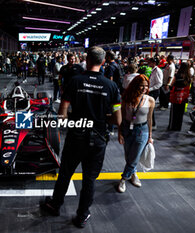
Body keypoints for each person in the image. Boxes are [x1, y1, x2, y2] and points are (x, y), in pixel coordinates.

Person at [41, 46, 122, 228]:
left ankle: (55, 205)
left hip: (77, 136)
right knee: (89, 179)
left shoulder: (75, 81)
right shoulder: (111, 86)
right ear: (102, 62)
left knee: (66, 173)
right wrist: (100, 118)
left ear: (87, 60)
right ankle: (82, 215)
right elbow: (117, 119)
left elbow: (62, 113)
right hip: (99, 138)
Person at [117, 74, 155, 193]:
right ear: (135, 86)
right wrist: (120, 132)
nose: (144, 88)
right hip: (127, 129)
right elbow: (121, 116)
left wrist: (150, 136)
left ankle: (123, 178)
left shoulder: (150, 100)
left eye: (146, 86)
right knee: (128, 155)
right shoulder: (126, 98)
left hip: (142, 131)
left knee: (134, 157)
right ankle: (134, 174)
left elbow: (150, 119)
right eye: (141, 86)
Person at [167, 63, 192, 131]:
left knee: (174, 112)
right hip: (184, 97)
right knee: (180, 113)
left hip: (175, 97)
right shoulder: (189, 77)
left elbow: (171, 85)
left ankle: (172, 126)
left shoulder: (177, 75)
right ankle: (178, 127)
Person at [148, 58, 163, 129]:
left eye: (149, 62)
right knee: (149, 108)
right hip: (151, 90)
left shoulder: (157, 71)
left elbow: (159, 83)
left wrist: (150, 89)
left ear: (154, 63)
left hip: (154, 91)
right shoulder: (153, 70)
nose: (148, 63)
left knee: (151, 108)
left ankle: (153, 124)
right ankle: (150, 122)